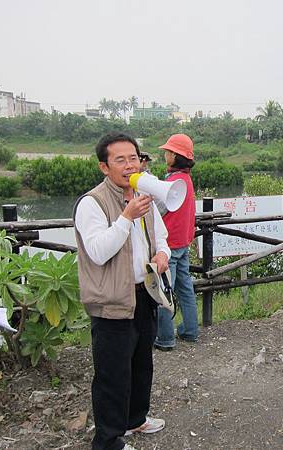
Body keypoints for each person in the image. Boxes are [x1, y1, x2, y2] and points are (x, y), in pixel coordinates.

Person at [74, 132, 170, 450]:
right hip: (112, 299)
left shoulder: (143, 194)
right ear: (104, 167)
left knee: (142, 362)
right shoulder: (92, 203)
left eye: (134, 158)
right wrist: (126, 218)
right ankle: (108, 439)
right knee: (112, 374)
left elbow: (162, 237)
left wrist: (162, 255)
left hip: (144, 292)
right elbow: (99, 251)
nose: (130, 165)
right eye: (120, 160)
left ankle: (135, 419)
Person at [154, 134, 198, 350]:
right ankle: (190, 331)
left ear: (175, 156)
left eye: (168, 152)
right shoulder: (187, 180)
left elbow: (157, 211)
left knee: (164, 292)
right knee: (185, 288)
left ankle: (165, 338)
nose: (165, 154)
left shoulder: (172, 182)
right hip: (183, 243)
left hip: (168, 245)